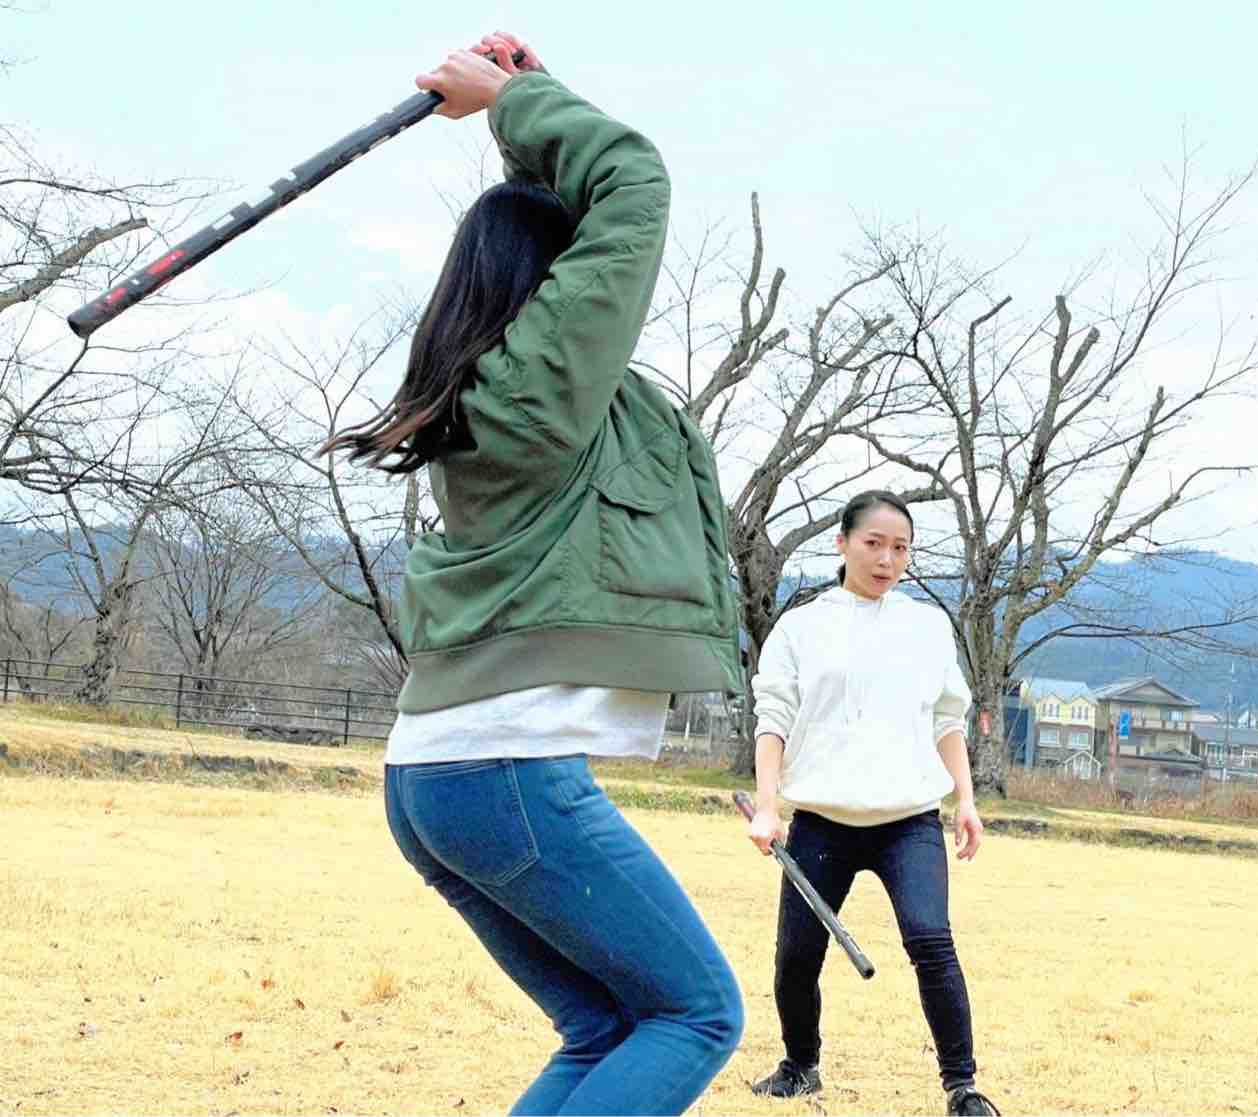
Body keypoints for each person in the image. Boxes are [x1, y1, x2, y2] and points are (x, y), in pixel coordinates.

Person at [321, 31, 746, 1116]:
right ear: (552, 286)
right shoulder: (537, 391)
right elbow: (632, 185)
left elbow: (588, 208)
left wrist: (523, 99)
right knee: (696, 1014)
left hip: (436, 775)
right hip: (499, 768)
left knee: (605, 1027)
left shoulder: (498, 391)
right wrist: (518, 104)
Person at [744, 490, 1000, 1116]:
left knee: (931, 940)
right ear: (842, 544)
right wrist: (768, 806)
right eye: (874, 544)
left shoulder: (926, 627)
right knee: (797, 955)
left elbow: (947, 721)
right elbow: (773, 720)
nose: (888, 559)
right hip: (822, 821)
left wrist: (965, 801)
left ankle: (962, 1087)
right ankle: (799, 1067)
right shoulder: (802, 627)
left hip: (908, 821)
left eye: (901, 548)